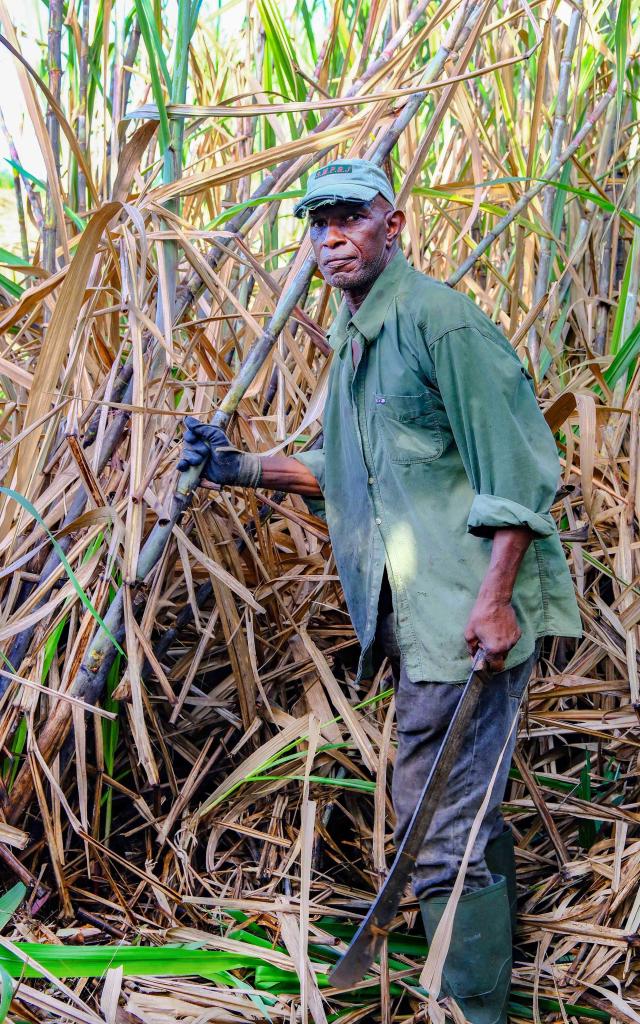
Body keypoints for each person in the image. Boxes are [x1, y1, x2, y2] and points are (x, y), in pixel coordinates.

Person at [178, 159, 581, 1023]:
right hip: (424, 617)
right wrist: (240, 467)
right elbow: (361, 472)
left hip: (463, 618)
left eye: (351, 219)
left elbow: (519, 473)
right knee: (463, 810)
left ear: (392, 226)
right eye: (318, 223)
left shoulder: (441, 322)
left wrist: (497, 599)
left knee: (435, 825)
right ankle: (484, 985)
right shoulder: (359, 335)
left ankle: (476, 1012)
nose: (332, 238)